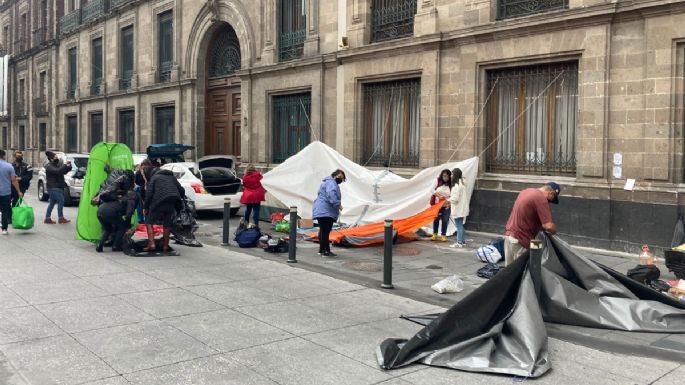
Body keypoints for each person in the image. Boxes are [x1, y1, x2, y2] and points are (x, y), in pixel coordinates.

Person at [504, 182, 560, 265]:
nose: (549, 203)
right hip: (521, 241)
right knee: (524, 273)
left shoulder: (526, 191)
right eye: (550, 200)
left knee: (510, 273)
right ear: (551, 193)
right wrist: (554, 230)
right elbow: (548, 226)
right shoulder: (541, 198)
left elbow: (528, 216)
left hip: (509, 237)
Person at [142, 166, 185, 252]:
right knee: (167, 223)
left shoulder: (154, 178)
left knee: (149, 221)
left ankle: (151, 244)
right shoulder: (172, 178)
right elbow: (182, 190)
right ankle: (165, 245)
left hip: (159, 201)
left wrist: (145, 207)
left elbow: (149, 194)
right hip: (172, 201)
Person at [96, 172, 139, 252]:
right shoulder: (132, 198)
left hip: (100, 211)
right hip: (110, 213)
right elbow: (129, 212)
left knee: (108, 229)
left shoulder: (120, 197)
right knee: (122, 226)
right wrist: (127, 224)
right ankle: (116, 246)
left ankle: (100, 245)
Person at [312, 169, 345, 257]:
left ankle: (321, 250)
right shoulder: (331, 183)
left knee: (323, 231)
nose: (341, 179)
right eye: (340, 177)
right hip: (326, 211)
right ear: (334, 175)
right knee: (325, 231)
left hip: (321, 209)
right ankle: (326, 251)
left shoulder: (326, 182)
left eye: (342, 178)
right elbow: (331, 194)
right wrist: (338, 204)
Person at [44, 151, 72, 224]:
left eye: (57, 157)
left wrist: (69, 166)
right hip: (54, 187)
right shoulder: (49, 166)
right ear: (51, 159)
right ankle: (61, 218)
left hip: (57, 187)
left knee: (52, 203)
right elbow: (58, 171)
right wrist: (64, 165)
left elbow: (63, 171)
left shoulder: (56, 165)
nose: (57, 158)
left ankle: (47, 218)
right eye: (55, 157)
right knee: (61, 201)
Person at [0, 149, 24, 235]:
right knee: (5, 211)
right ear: (3, 156)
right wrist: (19, 191)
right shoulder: (9, 166)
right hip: (5, 192)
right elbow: (14, 180)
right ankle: (4, 229)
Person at [448, 168, 469, 248]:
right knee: (461, 225)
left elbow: (455, 199)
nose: (451, 176)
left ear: (455, 175)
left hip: (458, 208)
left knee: (459, 225)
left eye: (452, 174)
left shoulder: (456, 186)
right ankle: (462, 241)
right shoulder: (463, 183)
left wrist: (448, 200)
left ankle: (459, 242)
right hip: (462, 208)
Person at [430, 169, 452, 242]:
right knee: (436, 219)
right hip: (437, 205)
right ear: (442, 175)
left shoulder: (451, 184)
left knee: (445, 220)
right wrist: (438, 195)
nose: (445, 178)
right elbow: (432, 190)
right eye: (444, 176)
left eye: (447, 177)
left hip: (446, 205)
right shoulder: (437, 180)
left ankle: (443, 235)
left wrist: (448, 201)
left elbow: (453, 194)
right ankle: (435, 234)